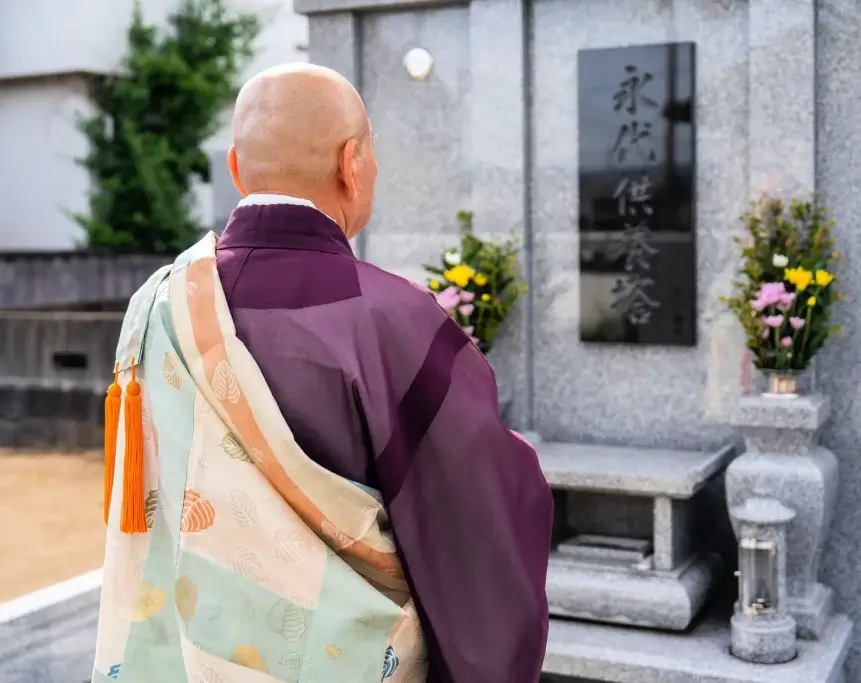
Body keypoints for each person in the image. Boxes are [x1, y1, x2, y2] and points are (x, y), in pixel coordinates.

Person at [93, 63, 552, 683]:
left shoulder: (160, 305)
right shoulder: (394, 322)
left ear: (235, 169)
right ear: (352, 163)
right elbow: (476, 534)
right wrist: (511, 462)